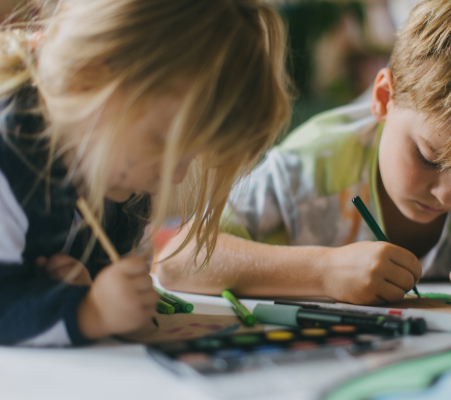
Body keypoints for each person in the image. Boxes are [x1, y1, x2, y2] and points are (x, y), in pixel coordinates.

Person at [157, 0, 451, 304]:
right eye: (429, 157)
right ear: (384, 99)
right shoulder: (313, 171)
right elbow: (178, 258)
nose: (448, 193)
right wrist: (322, 272)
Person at [0, 0, 289, 346]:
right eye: (162, 141)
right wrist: (88, 311)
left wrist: (99, 297)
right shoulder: (11, 156)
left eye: (189, 155)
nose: (176, 175)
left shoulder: (121, 194)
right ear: (86, 75)